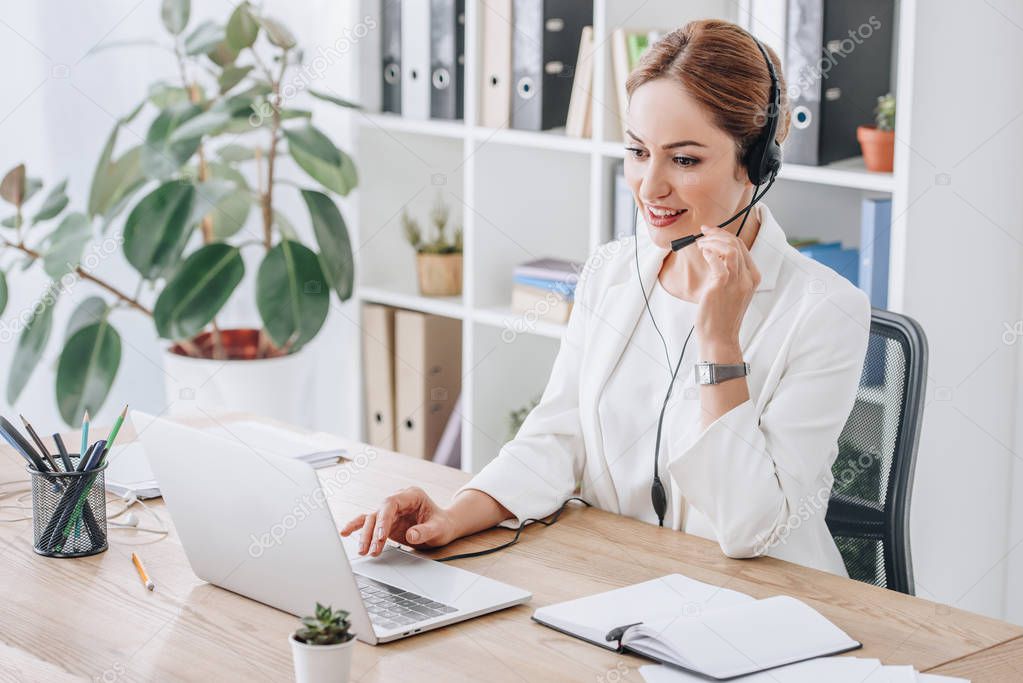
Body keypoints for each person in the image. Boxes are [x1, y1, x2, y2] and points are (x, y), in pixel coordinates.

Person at [342, 19, 871, 576]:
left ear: (758, 161)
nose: (649, 186)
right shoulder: (611, 271)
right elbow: (557, 437)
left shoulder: (826, 312)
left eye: (684, 159)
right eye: (639, 152)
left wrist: (720, 344)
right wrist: (454, 515)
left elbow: (752, 528)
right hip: (622, 585)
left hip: (767, 609)